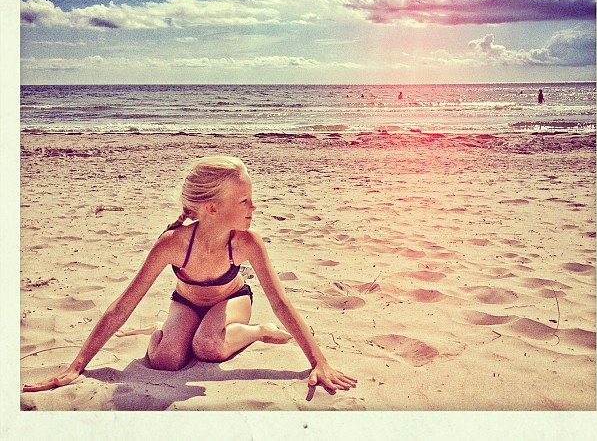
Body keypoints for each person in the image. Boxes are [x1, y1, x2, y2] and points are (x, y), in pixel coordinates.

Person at [22, 156, 357, 394]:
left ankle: (255, 332)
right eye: (244, 201)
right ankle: (164, 331)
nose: (253, 208)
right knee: (166, 360)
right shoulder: (172, 244)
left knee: (208, 346)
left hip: (232, 300)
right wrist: (77, 365)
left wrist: (318, 361)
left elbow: (281, 303)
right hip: (186, 302)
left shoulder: (246, 242)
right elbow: (123, 305)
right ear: (212, 208)